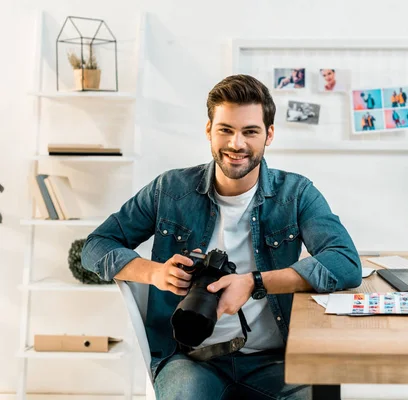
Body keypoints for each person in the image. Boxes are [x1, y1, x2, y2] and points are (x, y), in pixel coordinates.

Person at [81, 74, 361, 400]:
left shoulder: (296, 194)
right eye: (225, 130)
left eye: (250, 131)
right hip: (188, 358)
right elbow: (96, 246)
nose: (236, 144)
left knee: (323, 392)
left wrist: (254, 282)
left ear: (269, 135)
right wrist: (155, 272)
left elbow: (344, 262)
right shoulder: (169, 190)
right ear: (208, 131)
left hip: (275, 358)